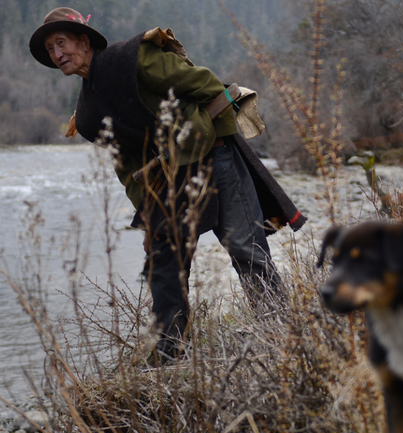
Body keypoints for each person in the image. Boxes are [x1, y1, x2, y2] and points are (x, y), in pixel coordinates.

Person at [29, 7, 306, 364]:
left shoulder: (135, 58)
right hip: (168, 181)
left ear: (84, 41)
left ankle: (281, 334)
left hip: (213, 155)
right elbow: (128, 169)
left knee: (245, 247)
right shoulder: (86, 116)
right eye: (51, 49)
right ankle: (169, 351)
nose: (57, 54)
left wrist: (199, 135)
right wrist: (148, 213)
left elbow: (205, 86)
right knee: (164, 264)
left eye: (61, 42)